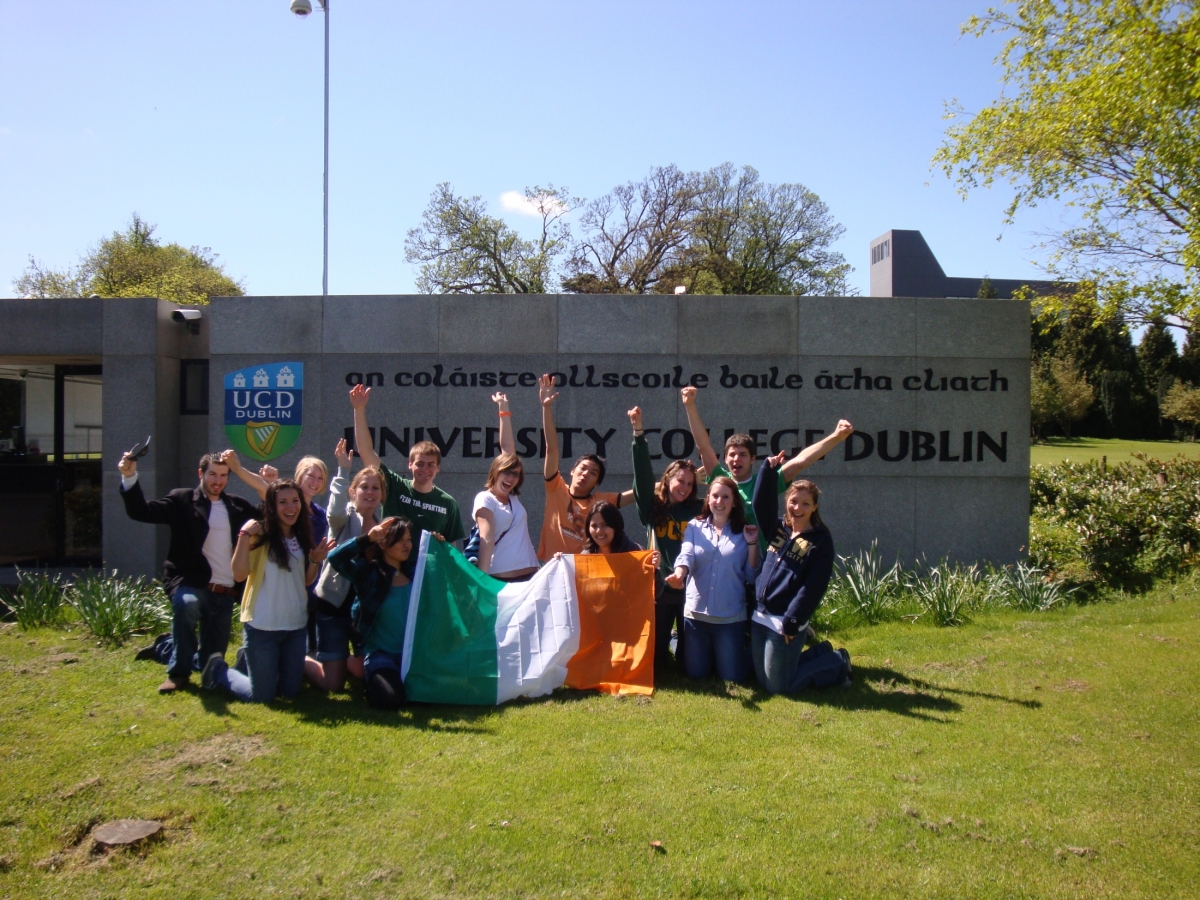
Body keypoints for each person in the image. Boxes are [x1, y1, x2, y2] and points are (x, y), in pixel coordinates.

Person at [118, 449, 259, 694]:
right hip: (192, 583)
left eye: (224, 475)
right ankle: (177, 674)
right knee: (187, 604)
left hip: (225, 592)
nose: (218, 481)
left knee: (209, 664)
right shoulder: (182, 500)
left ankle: (165, 647)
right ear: (200, 473)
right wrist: (130, 478)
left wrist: (264, 482)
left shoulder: (237, 506)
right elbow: (141, 511)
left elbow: (274, 516)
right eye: (213, 474)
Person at [202, 480, 335, 703]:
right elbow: (239, 574)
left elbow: (305, 581)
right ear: (272, 506)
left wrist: (314, 560)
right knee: (261, 696)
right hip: (262, 628)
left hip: (295, 628)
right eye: (282, 502)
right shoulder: (259, 534)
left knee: (290, 692)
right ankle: (218, 669)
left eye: (295, 501)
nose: (290, 507)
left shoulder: (302, 534)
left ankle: (252, 661)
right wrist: (243, 536)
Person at [681, 385, 854, 545]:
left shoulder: (763, 483)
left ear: (753, 459)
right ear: (725, 459)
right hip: (726, 564)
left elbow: (800, 462)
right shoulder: (720, 480)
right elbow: (703, 446)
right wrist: (690, 405)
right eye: (732, 455)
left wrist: (836, 437)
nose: (736, 459)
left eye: (743, 455)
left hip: (759, 564)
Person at [750, 455, 850, 693]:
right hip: (760, 616)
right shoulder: (779, 529)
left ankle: (837, 661)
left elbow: (813, 586)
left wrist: (793, 620)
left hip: (786, 619)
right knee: (762, 681)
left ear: (815, 507)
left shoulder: (820, 541)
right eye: (794, 501)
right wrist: (767, 470)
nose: (798, 508)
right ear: (787, 502)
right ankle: (820, 652)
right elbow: (759, 504)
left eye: (806, 504)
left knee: (778, 688)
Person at [305, 440, 386, 692]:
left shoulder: (383, 525)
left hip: (361, 613)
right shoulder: (342, 518)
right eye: (364, 487)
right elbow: (334, 508)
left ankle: (333, 658)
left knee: (363, 673)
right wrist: (343, 471)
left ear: (382, 494)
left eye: (375, 488)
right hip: (332, 606)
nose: (369, 492)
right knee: (333, 686)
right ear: (353, 491)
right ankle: (296, 655)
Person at [350, 384, 465, 556]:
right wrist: (359, 409)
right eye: (419, 463)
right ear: (409, 465)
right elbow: (366, 452)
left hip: (427, 577)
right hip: (392, 572)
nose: (424, 469)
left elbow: (452, 549)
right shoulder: (395, 486)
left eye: (431, 465)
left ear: (438, 469)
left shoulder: (448, 503)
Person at [628, 405, 702, 670]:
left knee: (689, 664)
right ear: (668, 479)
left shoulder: (699, 509)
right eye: (680, 481)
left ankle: (677, 645)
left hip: (692, 590)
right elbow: (643, 476)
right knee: (656, 663)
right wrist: (638, 434)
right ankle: (667, 644)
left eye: (690, 484)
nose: (684, 487)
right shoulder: (652, 508)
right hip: (660, 590)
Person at [325, 516, 425, 710]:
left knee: (427, 698)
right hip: (382, 656)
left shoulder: (417, 571)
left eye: (408, 539)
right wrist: (366, 539)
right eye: (400, 541)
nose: (407, 545)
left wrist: (439, 544)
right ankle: (365, 673)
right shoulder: (368, 573)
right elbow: (334, 558)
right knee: (389, 700)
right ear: (383, 544)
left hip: (414, 657)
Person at [666, 477, 760, 682]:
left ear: (734, 501)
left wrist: (752, 544)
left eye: (725, 497)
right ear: (708, 499)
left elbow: (751, 576)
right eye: (715, 496)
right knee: (697, 674)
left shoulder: (744, 531)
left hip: (729, 617)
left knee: (732, 677)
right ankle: (678, 641)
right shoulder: (694, 526)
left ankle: (761, 647)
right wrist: (680, 573)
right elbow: (687, 553)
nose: (720, 501)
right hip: (696, 616)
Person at [536, 374, 633, 561]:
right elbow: (551, 449)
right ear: (572, 471)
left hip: (583, 570)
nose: (586, 474)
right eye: (582, 468)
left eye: (593, 473)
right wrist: (546, 408)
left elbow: (639, 492)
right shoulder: (555, 488)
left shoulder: (600, 502)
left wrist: (675, 481)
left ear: (597, 483)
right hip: (551, 567)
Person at [472, 393, 540, 582]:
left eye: (516, 474)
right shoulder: (484, 498)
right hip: (502, 581)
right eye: (506, 472)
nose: (510, 478)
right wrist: (482, 582)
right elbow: (486, 539)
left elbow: (508, 448)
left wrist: (504, 409)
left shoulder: (513, 499)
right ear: (495, 471)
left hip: (531, 577)